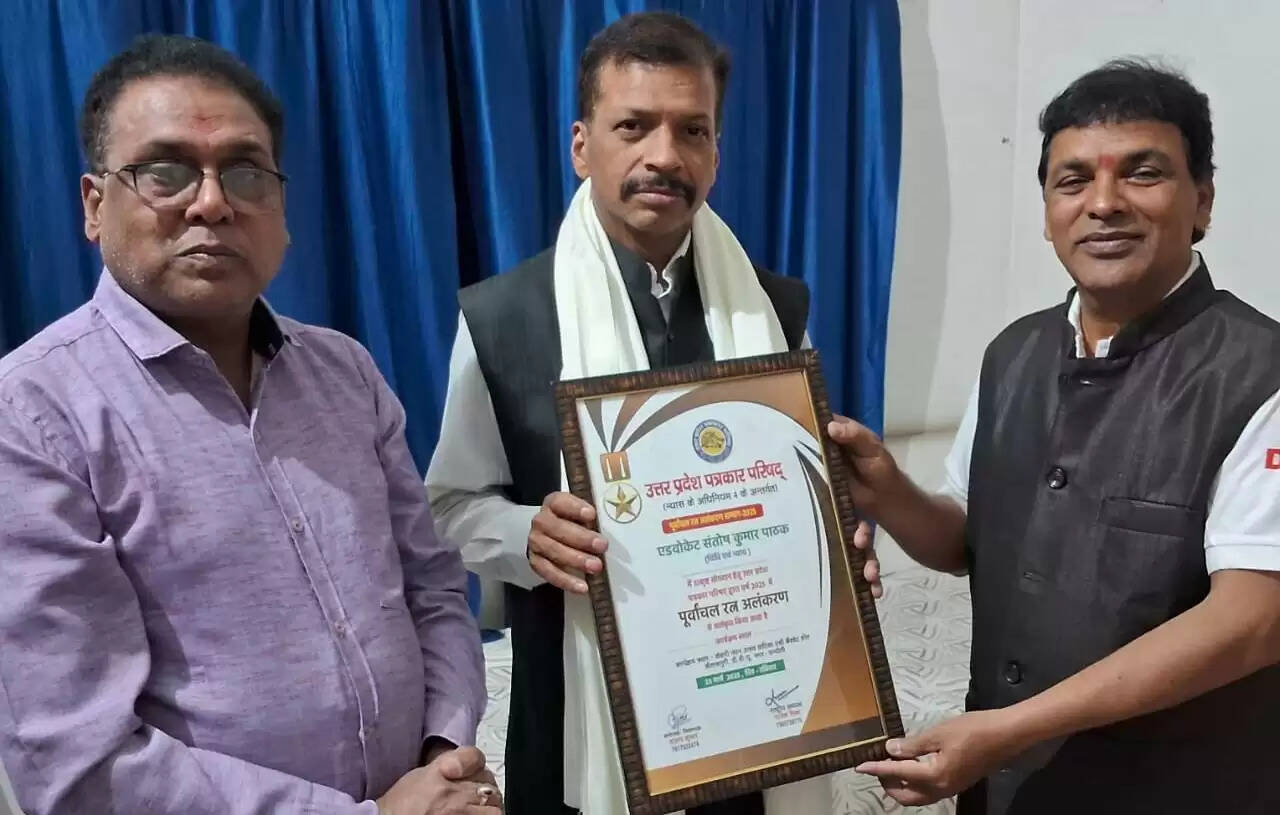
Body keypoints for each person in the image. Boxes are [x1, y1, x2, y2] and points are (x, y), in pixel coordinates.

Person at [0, 35, 497, 815]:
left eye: (244, 171)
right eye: (166, 171)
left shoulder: (344, 372)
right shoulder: (31, 414)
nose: (211, 202)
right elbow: (79, 761)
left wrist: (445, 750)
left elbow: (432, 586)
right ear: (95, 205)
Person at [427, 11, 881, 815]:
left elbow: (797, 492)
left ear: (715, 154)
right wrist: (526, 534)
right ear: (581, 145)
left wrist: (833, 553)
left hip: (753, 716)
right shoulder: (504, 317)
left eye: (692, 130)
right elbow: (450, 508)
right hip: (579, 718)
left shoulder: (776, 310)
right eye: (633, 126)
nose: (664, 155)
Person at [835, 60, 1280, 814]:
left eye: (1142, 173)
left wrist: (1010, 729)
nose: (1103, 203)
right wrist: (888, 491)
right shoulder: (1015, 353)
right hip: (1007, 790)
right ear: (1047, 213)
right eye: (1072, 181)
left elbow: (1252, 620)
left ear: (1202, 200)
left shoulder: (1260, 373)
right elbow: (968, 537)